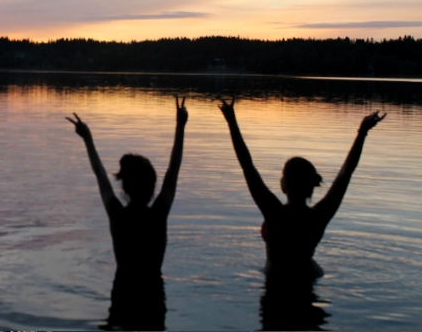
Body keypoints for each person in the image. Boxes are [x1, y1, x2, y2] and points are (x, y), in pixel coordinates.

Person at [218, 98, 385, 279]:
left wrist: (232, 123)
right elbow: (347, 172)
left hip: (277, 280)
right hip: (309, 276)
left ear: (285, 184)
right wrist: (362, 133)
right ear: (311, 186)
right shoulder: (319, 215)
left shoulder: (274, 213)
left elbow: (247, 165)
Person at [66, 97, 188, 331]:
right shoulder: (158, 215)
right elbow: (174, 170)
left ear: (124, 188)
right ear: (153, 189)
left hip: (122, 293)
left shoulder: (117, 215)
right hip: (153, 295)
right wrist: (180, 127)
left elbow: (100, 176)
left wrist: (88, 139)